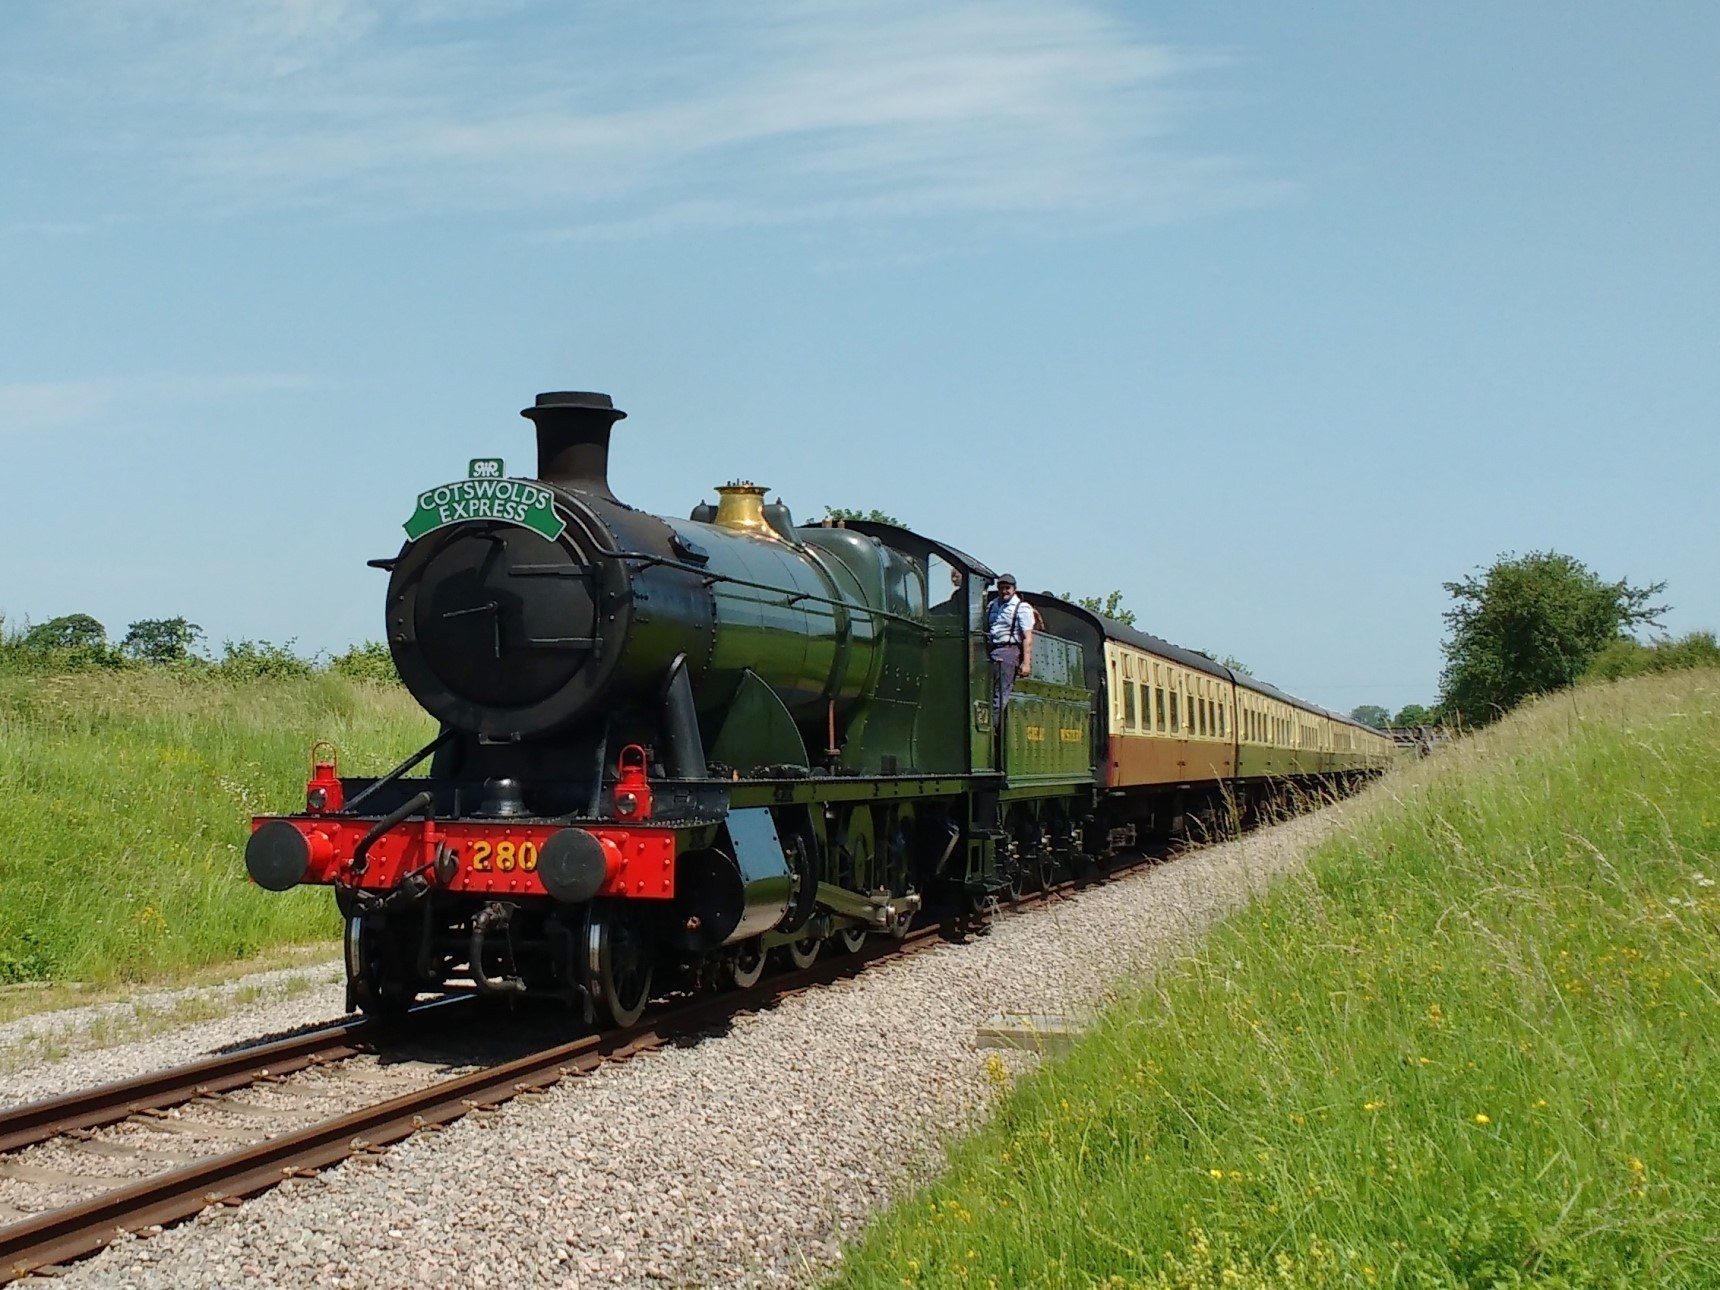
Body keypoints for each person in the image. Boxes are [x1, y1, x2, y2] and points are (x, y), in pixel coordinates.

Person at [985, 574, 1036, 719]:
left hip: (1009, 651)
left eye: (1007, 588)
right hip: (991, 649)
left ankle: (992, 727)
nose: (1004, 591)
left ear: (1014, 589)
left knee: (999, 694)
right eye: (1001, 588)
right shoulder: (992, 605)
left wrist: (1026, 663)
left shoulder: (1022, 608)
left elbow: (1027, 637)